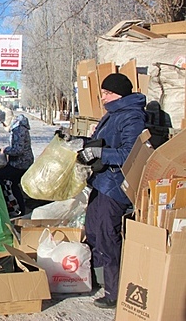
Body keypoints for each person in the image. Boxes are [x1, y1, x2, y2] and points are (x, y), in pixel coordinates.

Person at [74, 73, 146, 309]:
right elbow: (99, 141)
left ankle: (114, 292)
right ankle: (98, 279)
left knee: (107, 236)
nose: (103, 97)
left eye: (107, 93)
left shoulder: (132, 117)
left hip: (114, 186)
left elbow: (129, 154)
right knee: (93, 232)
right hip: (100, 182)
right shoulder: (113, 114)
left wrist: (100, 154)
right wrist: (78, 142)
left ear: (119, 94)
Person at [0, 113, 34, 216]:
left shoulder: (18, 129)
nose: (3, 125)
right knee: (13, 184)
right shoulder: (19, 127)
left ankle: (4, 206)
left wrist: (5, 150)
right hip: (23, 161)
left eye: (3, 123)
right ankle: (18, 209)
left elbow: (18, 150)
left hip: (20, 163)